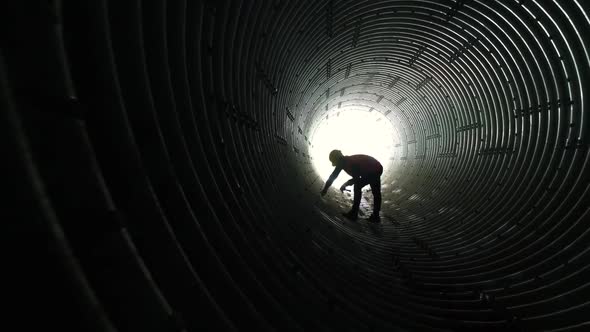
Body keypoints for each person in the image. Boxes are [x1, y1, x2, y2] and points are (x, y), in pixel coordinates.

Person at [320, 150, 383, 222]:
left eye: (336, 163)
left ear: (337, 160)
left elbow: (356, 179)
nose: (337, 166)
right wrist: (326, 188)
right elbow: (334, 175)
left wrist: (326, 189)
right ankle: (376, 216)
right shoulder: (346, 161)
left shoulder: (349, 163)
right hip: (377, 168)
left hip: (373, 170)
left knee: (358, 187)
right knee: (376, 193)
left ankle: (354, 213)